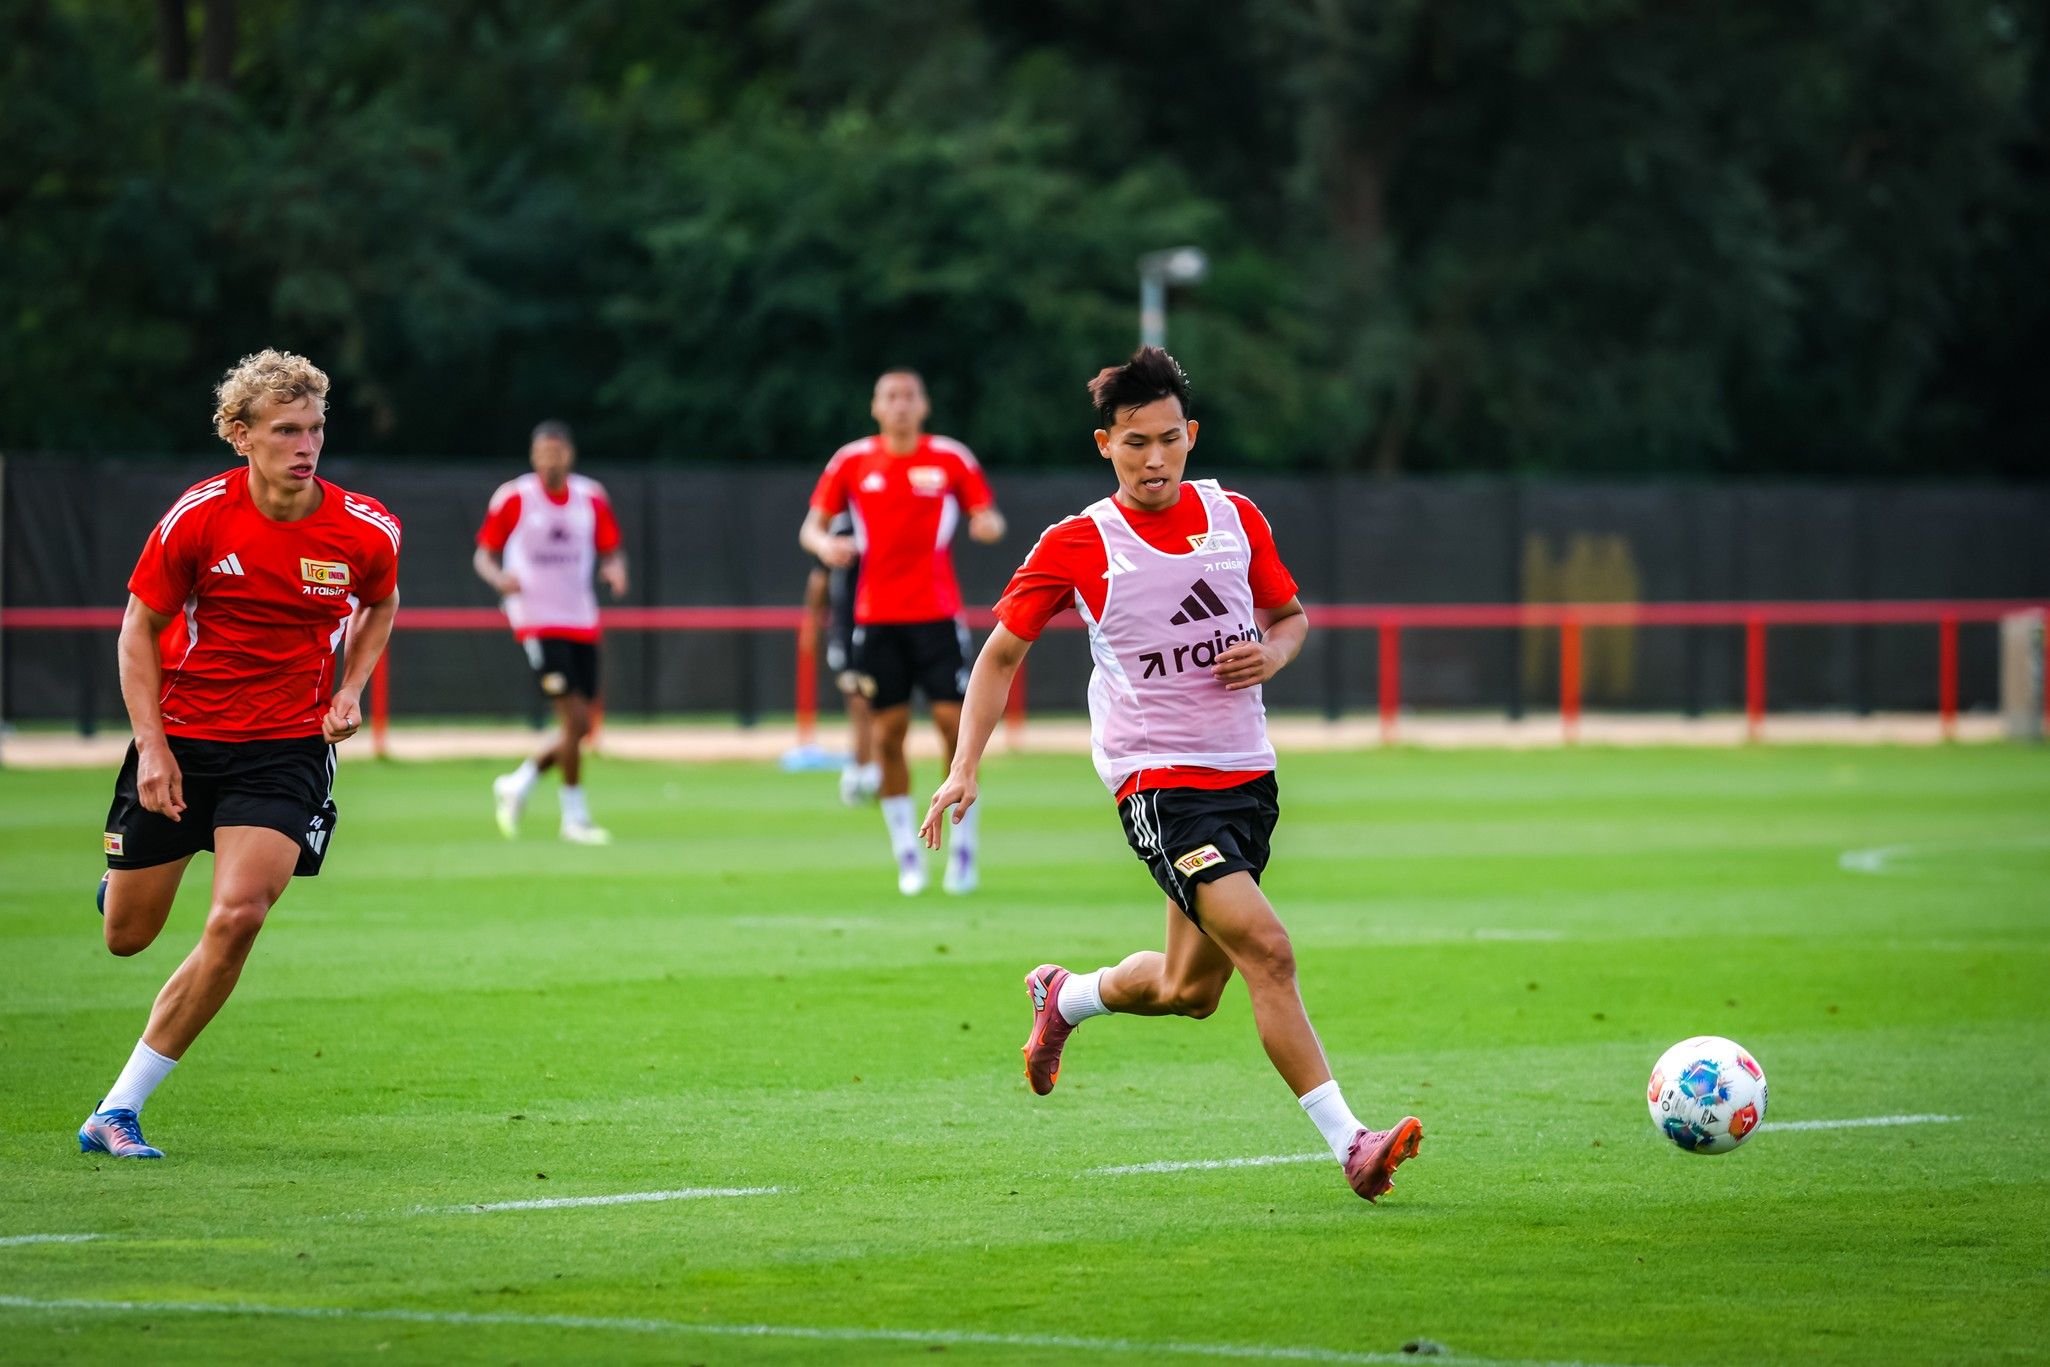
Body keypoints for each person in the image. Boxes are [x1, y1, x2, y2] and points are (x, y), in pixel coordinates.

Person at [920, 347, 1423, 1202]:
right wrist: (963, 766)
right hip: (1159, 783)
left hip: (1247, 775)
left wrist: (1272, 654)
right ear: (1104, 445)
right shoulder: (1078, 543)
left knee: (1192, 990)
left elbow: (1290, 617)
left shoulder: (1235, 516)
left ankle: (1065, 997)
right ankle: (1353, 1142)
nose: (1153, 459)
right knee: (1268, 950)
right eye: (1133, 443)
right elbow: (1000, 655)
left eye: (1167, 439)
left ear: (1191, 434)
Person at [83, 349, 400, 1160]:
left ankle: (118, 1108)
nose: (306, 445)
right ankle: (119, 882)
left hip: (285, 749)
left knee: (239, 915)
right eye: (285, 430)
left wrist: (350, 688)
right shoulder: (198, 517)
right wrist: (152, 749)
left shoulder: (365, 528)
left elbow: (381, 600)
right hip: (183, 741)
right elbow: (137, 632)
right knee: (127, 935)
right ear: (241, 435)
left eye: (315, 428)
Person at [799, 369, 1004, 894]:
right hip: (876, 620)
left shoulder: (951, 458)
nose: (900, 405)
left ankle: (963, 850)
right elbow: (811, 527)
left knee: (953, 728)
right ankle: (907, 857)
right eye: (890, 397)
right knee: (888, 736)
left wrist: (986, 525)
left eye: (909, 396)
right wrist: (825, 546)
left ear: (923, 405)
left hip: (937, 617)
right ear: (875, 407)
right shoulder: (851, 461)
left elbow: (988, 515)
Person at [474, 421, 627, 845]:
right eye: (543, 452)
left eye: (558, 452)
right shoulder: (515, 497)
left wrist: (615, 570)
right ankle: (574, 817)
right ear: (533, 455)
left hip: (581, 619)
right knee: (573, 719)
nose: (551, 460)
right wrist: (499, 578)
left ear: (569, 454)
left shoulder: (590, 497)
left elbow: (611, 550)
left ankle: (519, 783)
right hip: (537, 620)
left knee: (582, 725)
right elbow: (484, 555)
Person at [803, 510, 880, 805]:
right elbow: (820, 577)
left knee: (874, 702)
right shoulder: (843, 525)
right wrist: (812, 624)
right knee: (859, 699)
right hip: (851, 628)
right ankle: (864, 767)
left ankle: (870, 768)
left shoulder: (878, 519)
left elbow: (818, 580)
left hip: (881, 625)